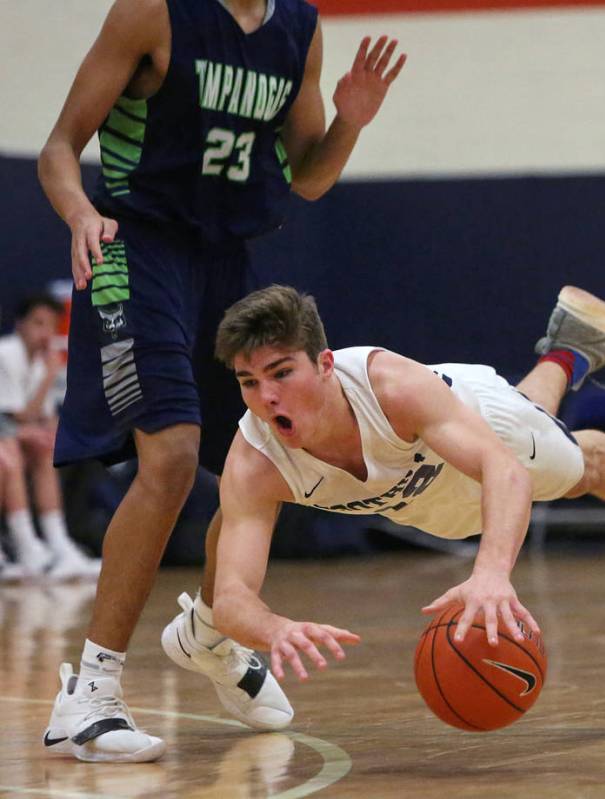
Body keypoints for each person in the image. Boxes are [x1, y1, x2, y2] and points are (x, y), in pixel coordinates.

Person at [38, 0, 405, 762]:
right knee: (169, 458)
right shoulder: (152, 12)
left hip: (226, 261)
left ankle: (209, 633)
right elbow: (59, 148)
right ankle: (89, 694)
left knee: (264, 461)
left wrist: (351, 120)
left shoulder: (296, 29)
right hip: (133, 246)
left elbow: (308, 178)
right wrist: (78, 212)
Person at [202, 284, 605, 683]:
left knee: (580, 471)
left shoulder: (391, 388)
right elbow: (230, 598)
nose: (266, 397)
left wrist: (492, 574)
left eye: (282, 373)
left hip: (484, 425)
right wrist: (275, 628)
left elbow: (505, 472)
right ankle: (573, 345)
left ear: (325, 365)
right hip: (428, 496)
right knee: (531, 432)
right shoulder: (255, 462)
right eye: (248, 382)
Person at [0, 295, 101, 580]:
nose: (45, 333)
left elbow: (39, 417)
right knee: (11, 454)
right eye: (38, 323)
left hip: (9, 434)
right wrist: (49, 377)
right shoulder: (7, 353)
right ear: (20, 324)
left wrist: (52, 429)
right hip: (6, 436)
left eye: (51, 325)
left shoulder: (40, 360)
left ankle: (58, 544)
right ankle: (24, 543)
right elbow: (19, 417)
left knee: (46, 450)